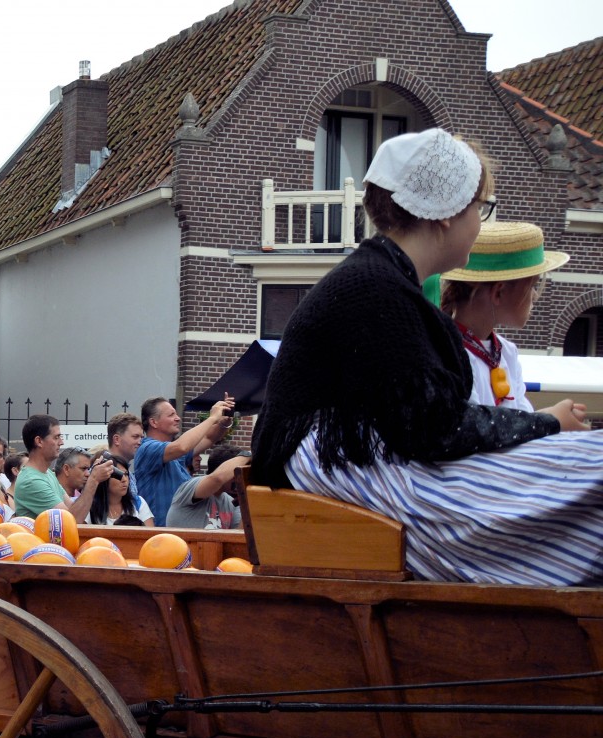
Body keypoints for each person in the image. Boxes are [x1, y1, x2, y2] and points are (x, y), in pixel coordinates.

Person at [253, 129, 593, 584]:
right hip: (341, 469)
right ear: (447, 215)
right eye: (479, 209)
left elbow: (424, 423)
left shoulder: (380, 281)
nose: (479, 222)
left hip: (352, 460)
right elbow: (434, 428)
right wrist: (546, 423)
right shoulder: (376, 289)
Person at [440, 221, 568, 411]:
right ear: (499, 292)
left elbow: (521, 418)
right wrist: (552, 419)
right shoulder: (451, 355)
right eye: (532, 285)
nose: (535, 296)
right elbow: (477, 430)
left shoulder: (507, 352)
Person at [133, 395, 234, 525]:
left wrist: (223, 422)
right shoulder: (147, 448)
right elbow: (182, 447)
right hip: (160, 536)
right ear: (153, 422)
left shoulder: (173, 452)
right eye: (171, 415)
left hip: (180, 534)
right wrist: (212, 417)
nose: (178, 418)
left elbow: (209, 438)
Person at [13, 415, 109, 521]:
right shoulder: (31, 481)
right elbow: (70, 521)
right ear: (39, 441)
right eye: (56, 437)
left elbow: (72, 510)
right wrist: (94, 479)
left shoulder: (47, 473)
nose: (61, 442)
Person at [164, 445, 248, 530]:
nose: (241, 478)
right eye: (236, 473)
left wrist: (247, 506)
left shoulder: (231, 502)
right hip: (183, 543)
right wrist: (249, 455)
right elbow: (217, 479)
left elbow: (238, 535)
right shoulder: (191, 486)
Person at [83, 453, 153, 527]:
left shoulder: (138, 503)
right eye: (118, 475)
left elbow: (150, 535)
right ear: (104, 478)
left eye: (126, 474)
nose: (124, 480)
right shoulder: (89, 506)